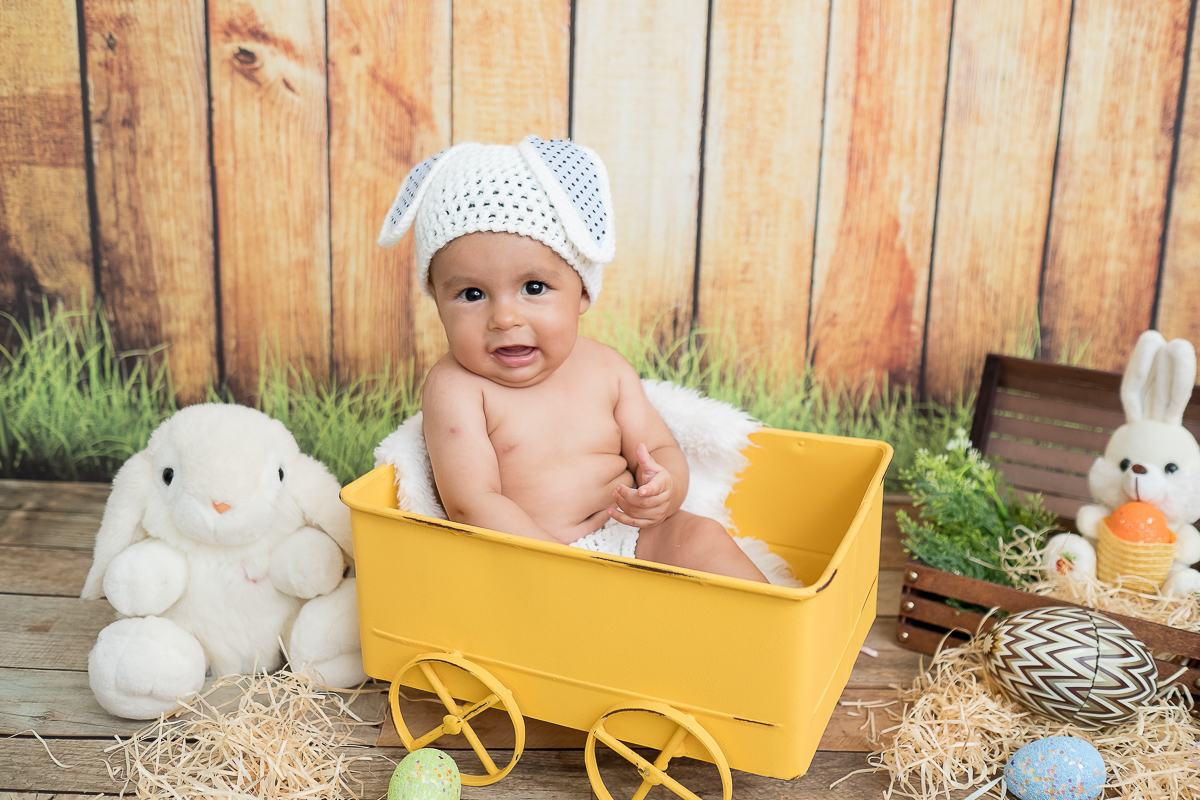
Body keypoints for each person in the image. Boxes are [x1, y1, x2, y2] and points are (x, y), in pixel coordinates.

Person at [377, 135, 767, 582]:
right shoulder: (456, 387)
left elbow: (658, 449)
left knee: (703, 537)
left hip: (627, 533)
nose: (504, 317)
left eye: (534, 288)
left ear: (582, 291)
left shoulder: (607, 369)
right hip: (534, 557)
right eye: (472, 294)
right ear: (438, 302)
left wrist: (665, 489)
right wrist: (562, 568)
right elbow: (473, 503)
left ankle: (770, 636)